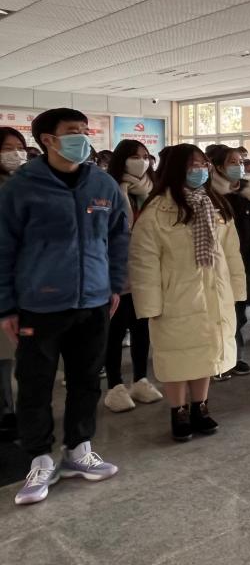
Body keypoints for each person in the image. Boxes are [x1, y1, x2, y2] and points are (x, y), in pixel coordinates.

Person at [0, 109, 128, 505]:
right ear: (48, 139)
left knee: (86, 378)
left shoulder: (102, 183)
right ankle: (39, 458)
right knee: (35, 384)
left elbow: (119, 237)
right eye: (73, 131)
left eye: (84, 131)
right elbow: (3, 249)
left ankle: (79, 448)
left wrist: (114, 285)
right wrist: (6, 307)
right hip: (39, 305)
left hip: (94, 300)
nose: (82, 138)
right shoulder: (21, 188)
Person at [130, 144, 245, 442]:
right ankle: (178, 410)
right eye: (193, 165)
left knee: (206, 351)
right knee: (177, 356)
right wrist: (150, 305)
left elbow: (231, 253)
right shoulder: (158, 211)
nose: (200, 170)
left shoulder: (215, 205)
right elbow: (144, 262)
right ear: (176, 168)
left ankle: (200, 406)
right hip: (176, 297)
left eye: (203, 164)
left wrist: (236, 290)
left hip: (214, 292)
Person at [102, 140, 163, 413]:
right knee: (114, 333)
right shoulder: (110, 189)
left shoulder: (153, 191)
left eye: (145, 156)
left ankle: (140, 379)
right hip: (117, 273)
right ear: (122, 160)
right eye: (135, 156)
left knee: (142, 331)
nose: (142, 161)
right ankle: (115, 385)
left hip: (146, 272)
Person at [210, 145, 250, 378]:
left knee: (239, 314)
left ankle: (233, 357)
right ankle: (218, 361)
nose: (239, 166)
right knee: (220, 312)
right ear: (219, 167)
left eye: (240, 162)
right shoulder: (210, 195)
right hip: (219, 263)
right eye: (232, 162)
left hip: (246, 261)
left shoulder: (249, 193)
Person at [0, 127, 27, 441]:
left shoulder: (27, 185)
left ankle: (12, 409)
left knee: (12, 352)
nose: (15, 153)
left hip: (24, 280)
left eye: (19, 147)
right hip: (5, 278)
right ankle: (6, 410)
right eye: (7, 148)